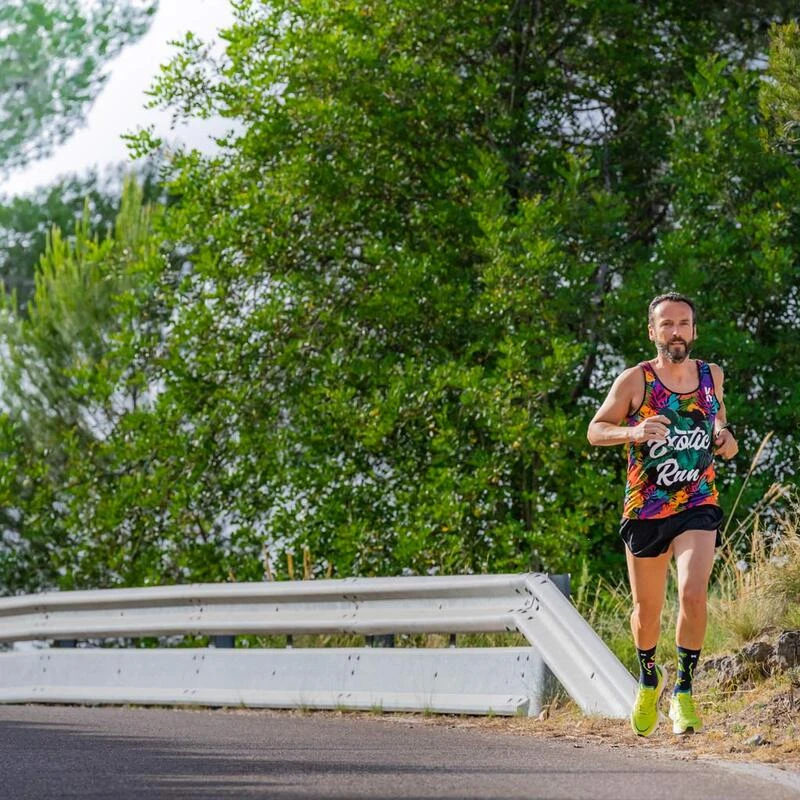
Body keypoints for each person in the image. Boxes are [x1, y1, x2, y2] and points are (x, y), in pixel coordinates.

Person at [587, 292, 738, 736]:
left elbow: (717, 415)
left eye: (683, 324)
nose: (676, 332)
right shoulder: (636, 380)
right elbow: (595, 430)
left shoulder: (711, 375)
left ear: (694, 330)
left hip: (697, 500)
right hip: (647, 508)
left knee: (693, 593)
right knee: (646, 610)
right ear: (652, 331)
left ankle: (684, 692)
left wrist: (725, 435)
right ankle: (649, 679)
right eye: (667, 324)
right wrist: (633, 431)